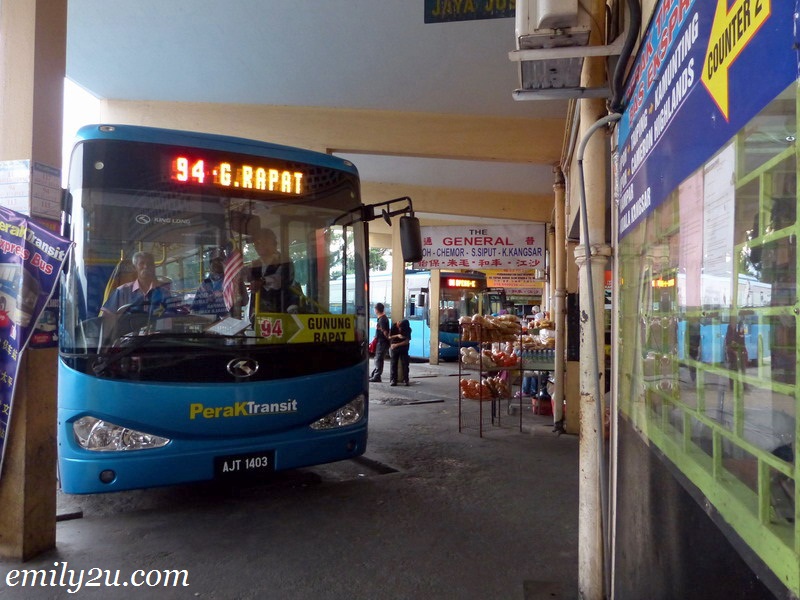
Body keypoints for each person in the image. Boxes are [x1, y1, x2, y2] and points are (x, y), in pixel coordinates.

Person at [245, 228, 299, 314]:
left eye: (259, 242)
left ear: (270, 242)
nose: (256, 246)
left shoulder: (284, 261)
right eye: (255, 244)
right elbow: (248, 281)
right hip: (259, 313)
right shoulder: (255, 264)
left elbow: (279, 280)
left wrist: (262, 281)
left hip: (281, 312)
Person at [369, 302, 390, 382]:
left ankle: (377, 376)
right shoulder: (382, 318)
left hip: (382, 342)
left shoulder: (382, 319)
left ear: (376, 310)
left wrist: (388, 339)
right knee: (378, 359)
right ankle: (374, 374)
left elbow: (385, 332)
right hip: (381, 342)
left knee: (378, 359)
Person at [389, 318, 411, 386]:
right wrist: (397, 335)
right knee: (393, 364)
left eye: (402, 328)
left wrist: (396, 345)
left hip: (403, 347)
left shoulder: (408, 329)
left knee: (405, 364)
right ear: (399, 324)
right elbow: (389, 337)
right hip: (394, 347)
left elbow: (407, 341)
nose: (401, 329)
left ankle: (406, 380)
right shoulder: (394, 326)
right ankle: (393, 380)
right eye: (400, 327)